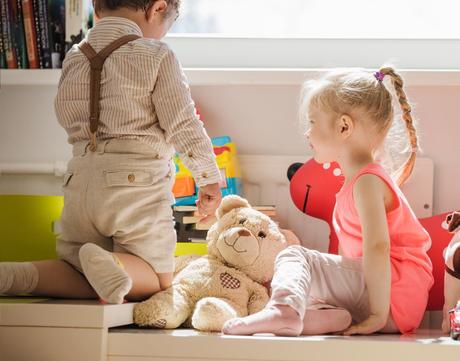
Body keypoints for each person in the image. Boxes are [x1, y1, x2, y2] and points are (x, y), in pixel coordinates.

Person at [0, 0, 222, 304]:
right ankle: (110, 262)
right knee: (157, 278)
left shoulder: (75, 57)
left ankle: (19, 276)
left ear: (96, 5)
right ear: (156, 8)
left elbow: (65, 114)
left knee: (76, 269)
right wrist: (208, 177)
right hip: (134, 187)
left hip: (80, 181)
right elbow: (183, 123)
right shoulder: (156, 54)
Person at [223, 67, 434, 336]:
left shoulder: (368, 182)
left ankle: (284, 312)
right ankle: (314, 317)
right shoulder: (357, 182)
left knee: (294, 254)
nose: (307, 133)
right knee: (307, 291)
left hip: (392, 296)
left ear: (344, 127)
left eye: (312, 122)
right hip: (386, 294)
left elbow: (378, 247)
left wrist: (378, 315)